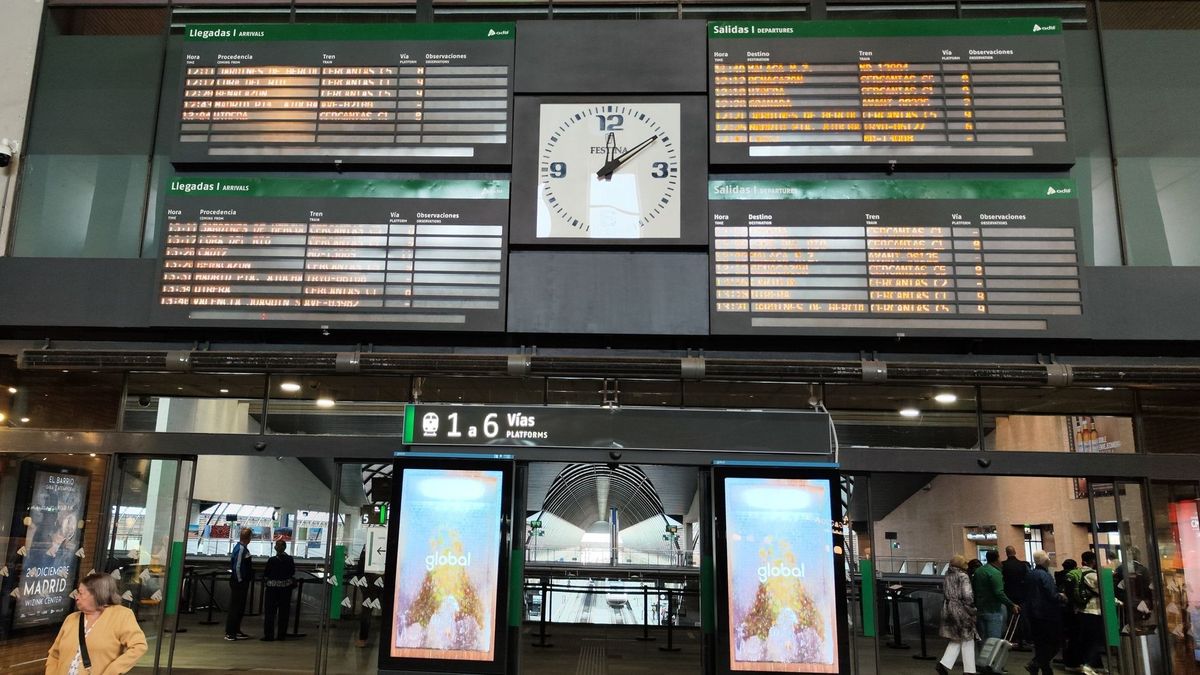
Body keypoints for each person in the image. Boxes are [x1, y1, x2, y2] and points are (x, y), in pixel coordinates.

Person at [45, 573, 148, 675]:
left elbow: (139, 646)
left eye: (81, 593)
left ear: (96, 594)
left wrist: (113, 671)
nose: (76, 597)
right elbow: (54, 655)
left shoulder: (121, 615)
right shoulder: (71, 619)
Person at [1021, 550, 1064, 675]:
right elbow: (1051, 594)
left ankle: (1045, 669)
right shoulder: (1045, 575)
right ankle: (1036, 663)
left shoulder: (1030, 574)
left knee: (1040, 643)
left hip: (1033, 613)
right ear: (1045, 561)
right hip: (1047, 613)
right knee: (1054, 643)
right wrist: (1061, 597)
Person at [936, 555, 979, 675]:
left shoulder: (948, 575)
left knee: (957, 638)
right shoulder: (963, 576)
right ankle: (969, 671)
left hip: (948, 608)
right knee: (968, 638)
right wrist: (972, 609)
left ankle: (943, 664)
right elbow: (967, 596)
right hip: (961, 610)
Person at [1063, 551, 1104, 675]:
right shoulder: (1092, 575)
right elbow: (1104, 590)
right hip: (1093, 610)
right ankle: (1089, 664)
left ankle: (1086, 664)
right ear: (1093, 561)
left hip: (1081, 610)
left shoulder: (1078, 573)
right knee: (1093, 639)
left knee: (1084, 638)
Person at [972, 549, 1020, 641]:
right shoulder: (995, 573)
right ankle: (992, 656)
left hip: (980, 609)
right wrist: (1011, 604)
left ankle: (982, 655)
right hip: (993, 609)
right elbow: (999, 592)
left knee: (982, 639)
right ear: (997, 558)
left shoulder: (979, 571)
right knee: (993, 641)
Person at [262, 539, 296, 642]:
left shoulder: (272, 560)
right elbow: (292, 572)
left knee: (270, 612)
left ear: (275, 548)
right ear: (285, 547)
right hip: (286, 588)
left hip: (272, 588)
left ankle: (269, 635)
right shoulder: (289, 559)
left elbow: (266, 573)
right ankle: (281, 635)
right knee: (284, 612)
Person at [225, 528, 254, 641]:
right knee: (235, 608)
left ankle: (236, 630)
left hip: (239, 581)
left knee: (239, 607)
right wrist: (241, 580)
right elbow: (237, 566)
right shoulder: (241, 549)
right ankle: (230, 632)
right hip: (238, 583)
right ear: (248, 537)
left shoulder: (241, 548)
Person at [1002, 545, 1032, 649]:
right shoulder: (1022, 565)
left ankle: (1012, 638)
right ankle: (1024, 638)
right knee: (1022, 617)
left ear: (1006, 553)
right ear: (1015, 552)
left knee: (1010, 617)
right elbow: (1028, 579)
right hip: (1021, 594)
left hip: (1008, 594)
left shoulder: (1003, 565)